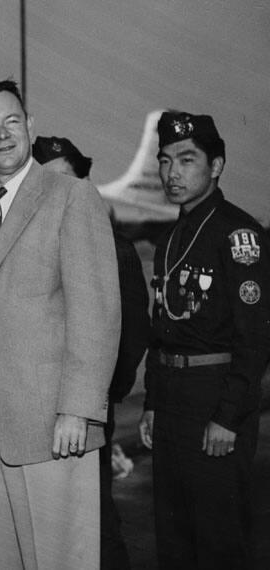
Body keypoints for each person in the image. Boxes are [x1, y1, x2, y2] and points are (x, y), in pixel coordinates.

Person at [0, 80, 120, 569]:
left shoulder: (71, 194)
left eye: (11, 121)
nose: (2, 135)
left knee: (61, 558)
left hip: (53, 421)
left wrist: (78, 408)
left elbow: (97, 310)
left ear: (30, 125)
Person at [138, 111, 270, 569]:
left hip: (214, 401)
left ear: (215, 166)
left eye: (187, 160)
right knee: (174, 541)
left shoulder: (238, 236)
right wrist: (153, 402)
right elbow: (162, 331)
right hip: (173, 403)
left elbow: (254, 339)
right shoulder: (171, 238)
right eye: (166, 160)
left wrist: (229, 418)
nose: (173, 173)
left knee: (218, 541)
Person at [33, 135, 151, 570]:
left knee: (94, 525)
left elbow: (132, 334)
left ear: (84, 184)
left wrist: (97, 399)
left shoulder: (113, 247)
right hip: (33, 411)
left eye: (66, 181)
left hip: (86, 413)